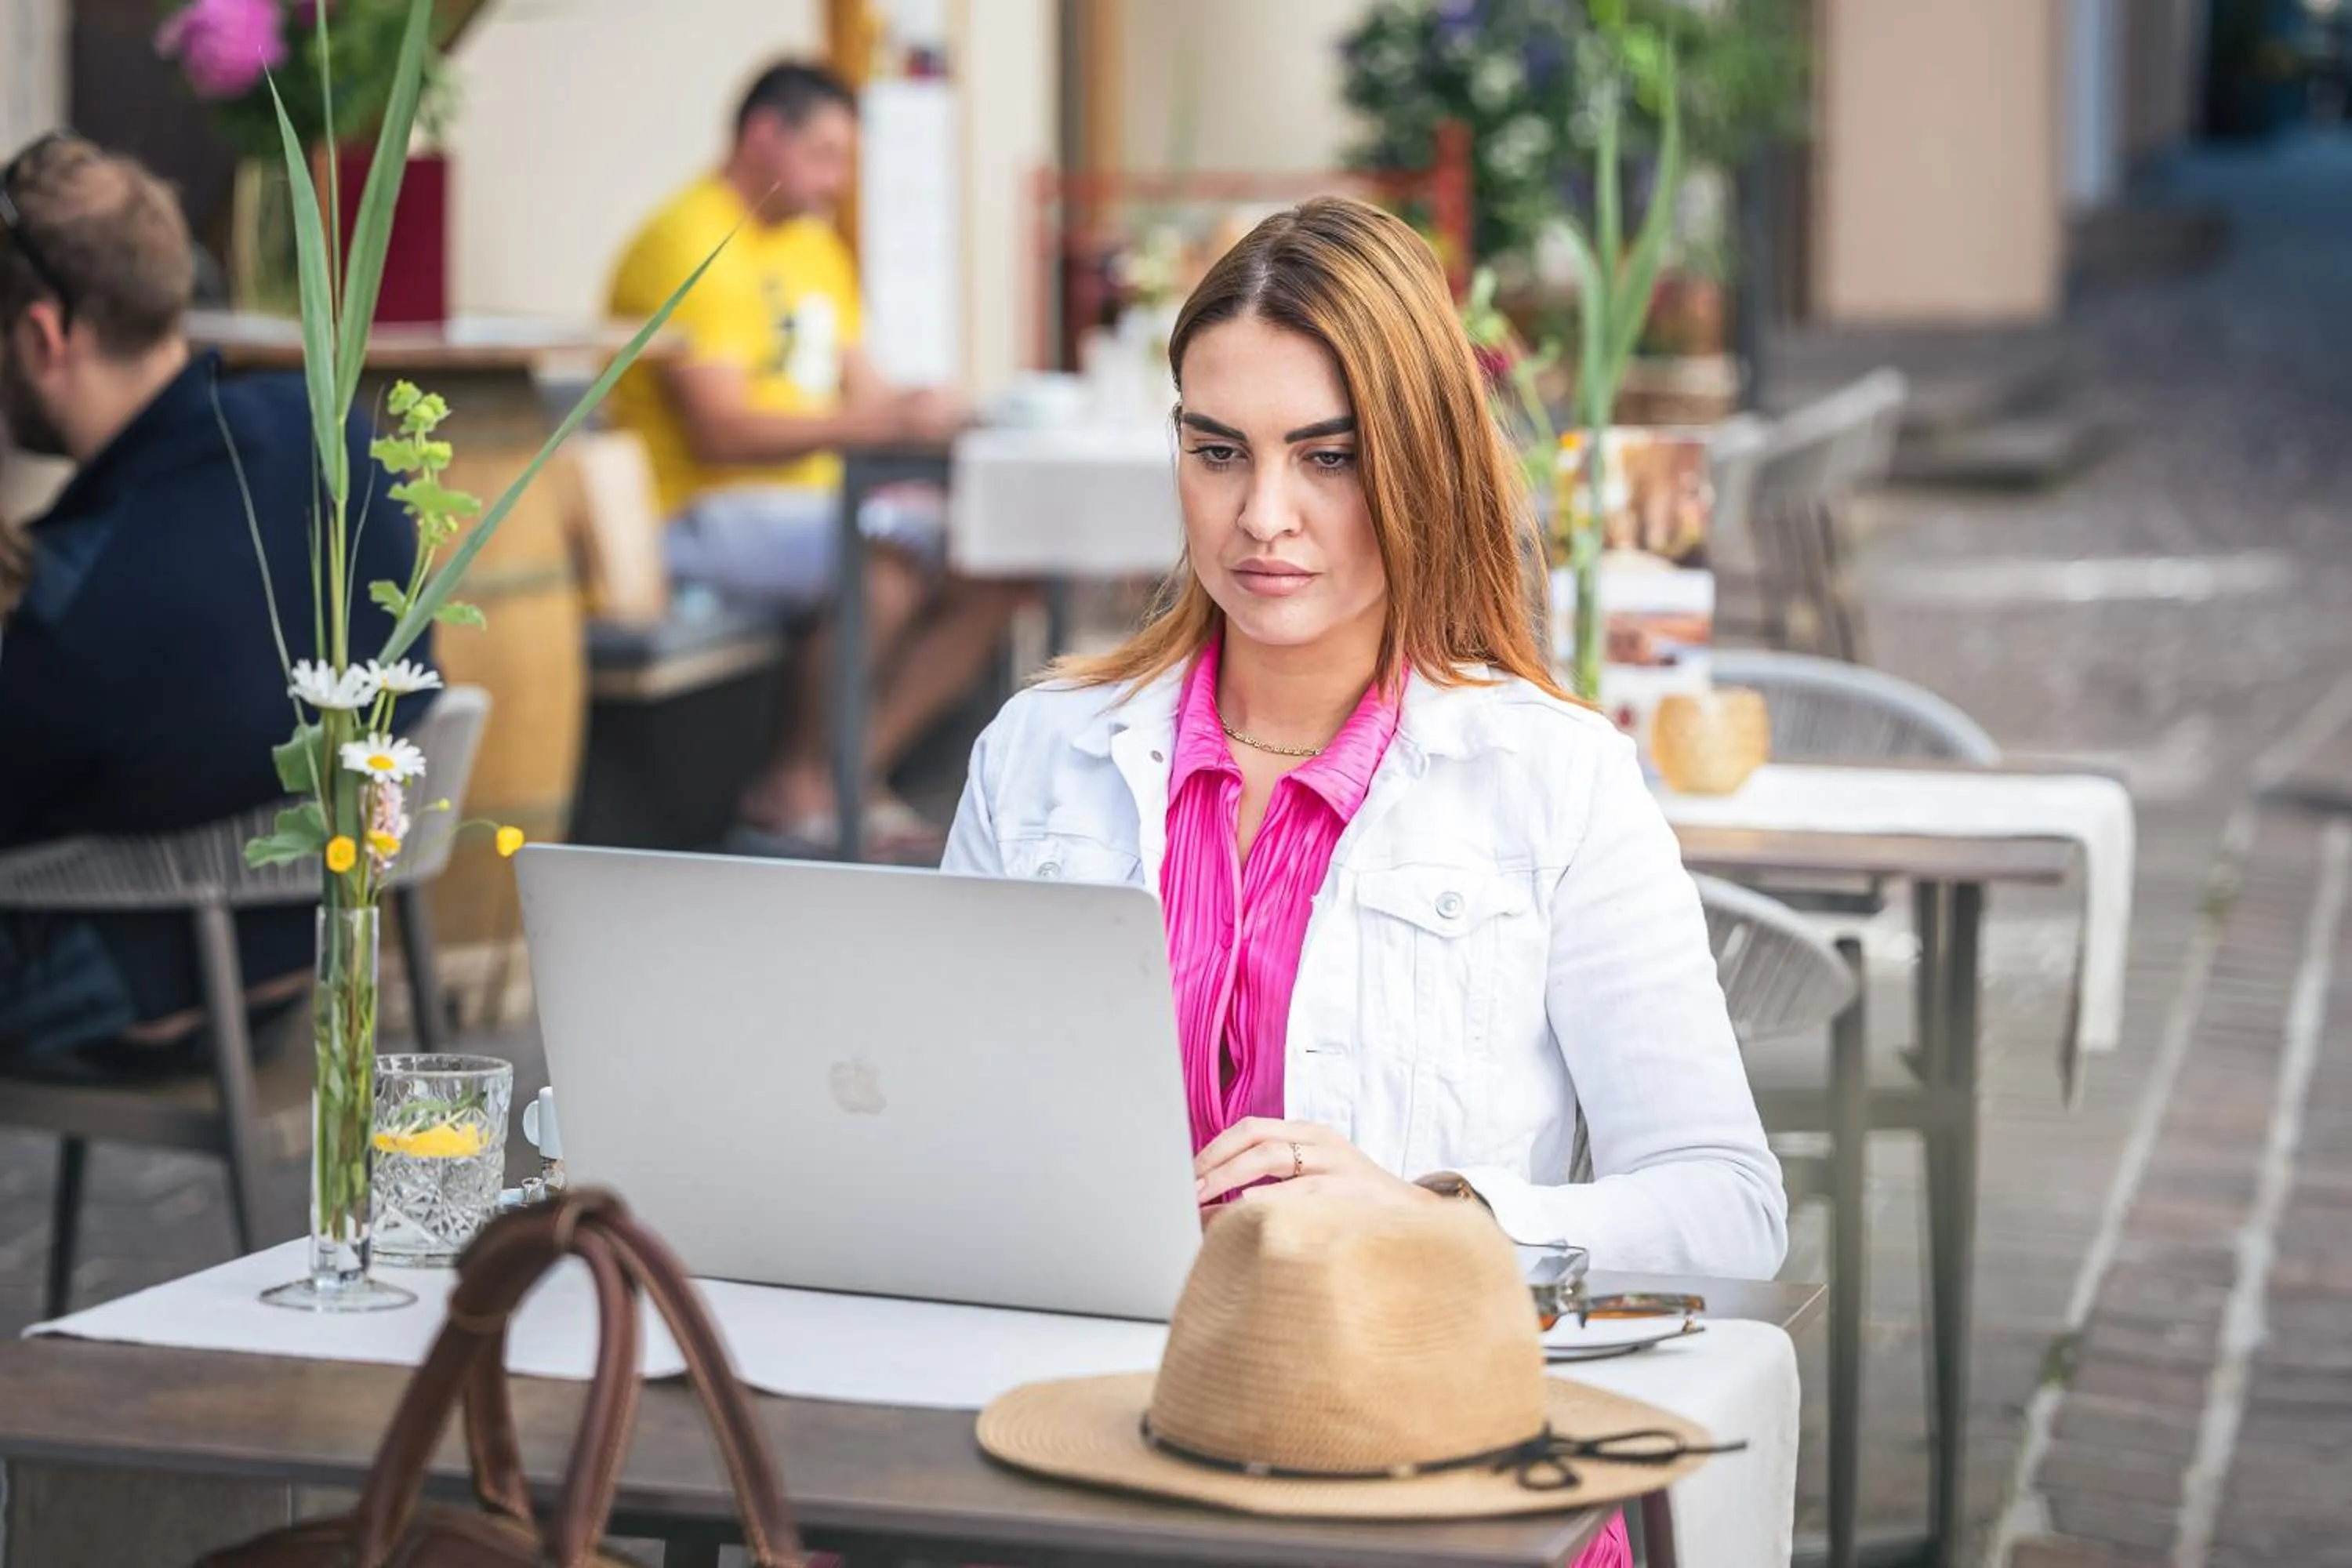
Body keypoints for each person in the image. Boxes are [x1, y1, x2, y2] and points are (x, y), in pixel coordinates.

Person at [945, 196, 1783, 1566]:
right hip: (1084, 1455)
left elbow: (1730, 1210)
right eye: (1218, 453)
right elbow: (944, 1122)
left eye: (1325, 458)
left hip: (1427, 1485)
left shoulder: (1552, 778)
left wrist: (1442, 1218)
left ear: (1421, 463)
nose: (1262, 517)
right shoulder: (1041, 753)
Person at [0, 133, 430, 1080]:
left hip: (135, 993)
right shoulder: (336, 438)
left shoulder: (84, 594)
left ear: (42, 338)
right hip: (306, 963)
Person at [608, 61, 1028, 858]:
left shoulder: (812, 247)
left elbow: (866, 392)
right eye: (827, 154)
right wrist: (878, 419)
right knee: (891, 556)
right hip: (696, 508)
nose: (840, 179)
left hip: (809, 505)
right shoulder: (686, 241)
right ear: (764, 135)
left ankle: (840, 776)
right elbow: (720, 432)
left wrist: (923, 413)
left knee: (995, 564)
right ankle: (799, 781)